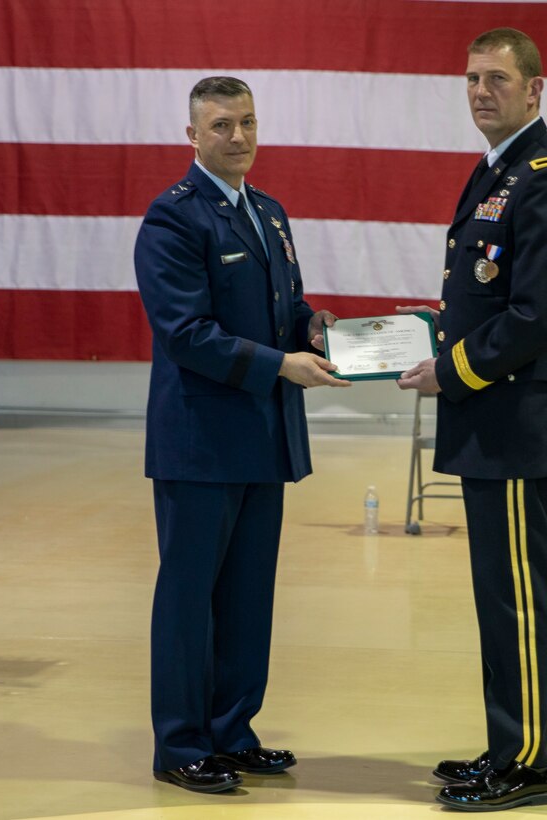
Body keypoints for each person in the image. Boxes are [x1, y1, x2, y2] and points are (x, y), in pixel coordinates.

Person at [397, 28, 547, 812]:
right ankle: (508, 744)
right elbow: (477, 299)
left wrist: (450, 370)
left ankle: (527, 765)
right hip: (491, 422)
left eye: (498, 80)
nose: (481, 91)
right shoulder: (496, 173)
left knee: (516, 598)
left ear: (535, 90)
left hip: (514, 425)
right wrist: (426, 338)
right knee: (498, 599)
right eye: (473, 78)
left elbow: (535, 317)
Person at [134, 75, 350, 795]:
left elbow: (284, 309)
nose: (238, 136)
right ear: (192, 136)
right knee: (190, 597)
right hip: (200, 442)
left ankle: (233, 730)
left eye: (248, 122)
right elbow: (187, 334)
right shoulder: (172, 220)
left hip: (262, 436)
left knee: (249, 596)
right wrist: (281, 363)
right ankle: (181, 743)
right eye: (222, 125)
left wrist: (324, 334)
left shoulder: (269, 212)